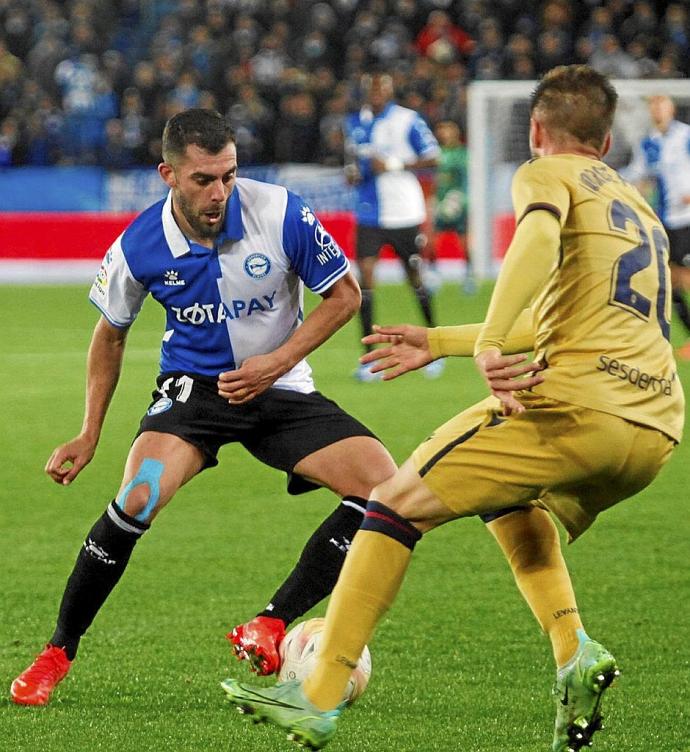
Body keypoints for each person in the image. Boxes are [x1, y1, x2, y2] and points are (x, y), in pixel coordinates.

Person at [222, 65, 684, 752]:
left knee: (391, 502)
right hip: (654, 429)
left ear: (535, 130)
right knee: (509, 499)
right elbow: (558, 322)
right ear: (610, 140)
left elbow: (530, 246)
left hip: (578, 408)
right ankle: (572, 650)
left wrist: (491, 339)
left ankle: (316, 696)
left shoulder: (546, 173)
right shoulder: (642, 214)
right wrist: (438, 341)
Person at [9, 108, 398, 706]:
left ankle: (270, 622)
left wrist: (275, 361)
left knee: (385, 489)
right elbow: (109, 335)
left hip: (281, 386)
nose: (220, 193)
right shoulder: (140, 245)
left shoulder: (282, 212)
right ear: (168, 174)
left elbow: (344, 296)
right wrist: (89, 434)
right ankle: (57, 652)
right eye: (203, 180)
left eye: (228, 176)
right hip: (195, 393)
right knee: (135, 498)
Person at [343, 71, 443, 381]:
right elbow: (353, 162)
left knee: (415, 277)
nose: (375, 92)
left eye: (380, 87)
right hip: (369, 214)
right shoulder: (354, 123)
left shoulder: (407, 120)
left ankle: (436, 348)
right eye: (370, 86)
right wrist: (353, 174)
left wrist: (394, 165)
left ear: (389, 90)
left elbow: (434, 157)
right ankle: (367, 360)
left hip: (402, 213)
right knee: (365, 280)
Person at [623, 94, 690, 359]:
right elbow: (638, 176)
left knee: (682, 277)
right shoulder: (648, 144)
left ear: (672, 109)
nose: (657, 110)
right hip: (665, 220)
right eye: (653, 105)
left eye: (661, 104)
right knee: (671, 282)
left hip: (687, 217)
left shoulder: (685, 136)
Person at [432, 119, 474, 293]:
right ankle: (434, 276)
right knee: (432, 242)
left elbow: (466, 181)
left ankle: (469, 277)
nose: (443, 132)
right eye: (441, 128)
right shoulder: (436, 153)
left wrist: (460, 200)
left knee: (464, 243)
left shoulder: (463, 154)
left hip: (459, 204)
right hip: (441, 204)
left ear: (456, 131)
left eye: (447, 128)